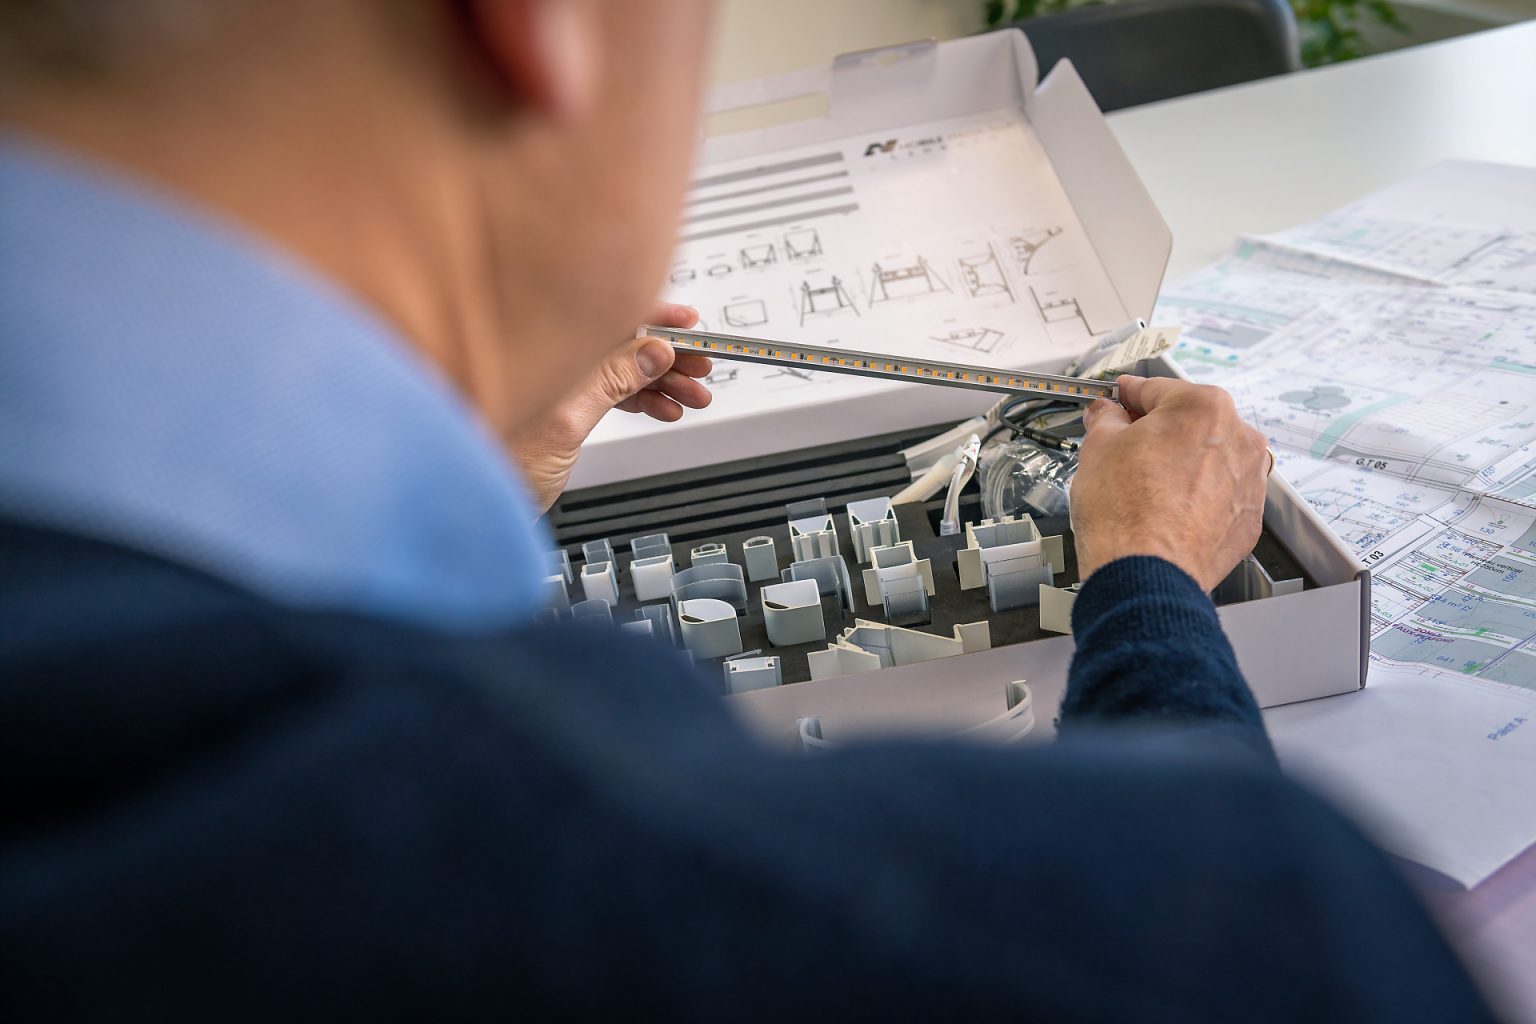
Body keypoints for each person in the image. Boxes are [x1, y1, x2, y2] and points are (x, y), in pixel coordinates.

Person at [0, 2, 1494, 1020]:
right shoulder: (1187, 939)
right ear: (542, 21)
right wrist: (1154, 586)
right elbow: (1205, 919)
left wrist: (486, 507)